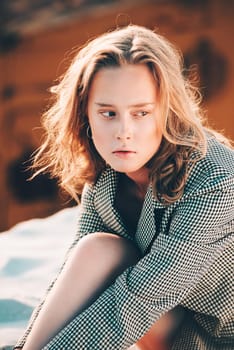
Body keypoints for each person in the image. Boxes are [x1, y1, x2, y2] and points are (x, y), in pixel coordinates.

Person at [14, 24, 233, 350]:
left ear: (166, 110)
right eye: (108, 113)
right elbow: (76, 283)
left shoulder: (216, 178)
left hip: (223, 335)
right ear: (85, 114)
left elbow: (145, 293)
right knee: (93, 250)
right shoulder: (106, 179)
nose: (123, 132)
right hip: (184, 325)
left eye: (141, 113)